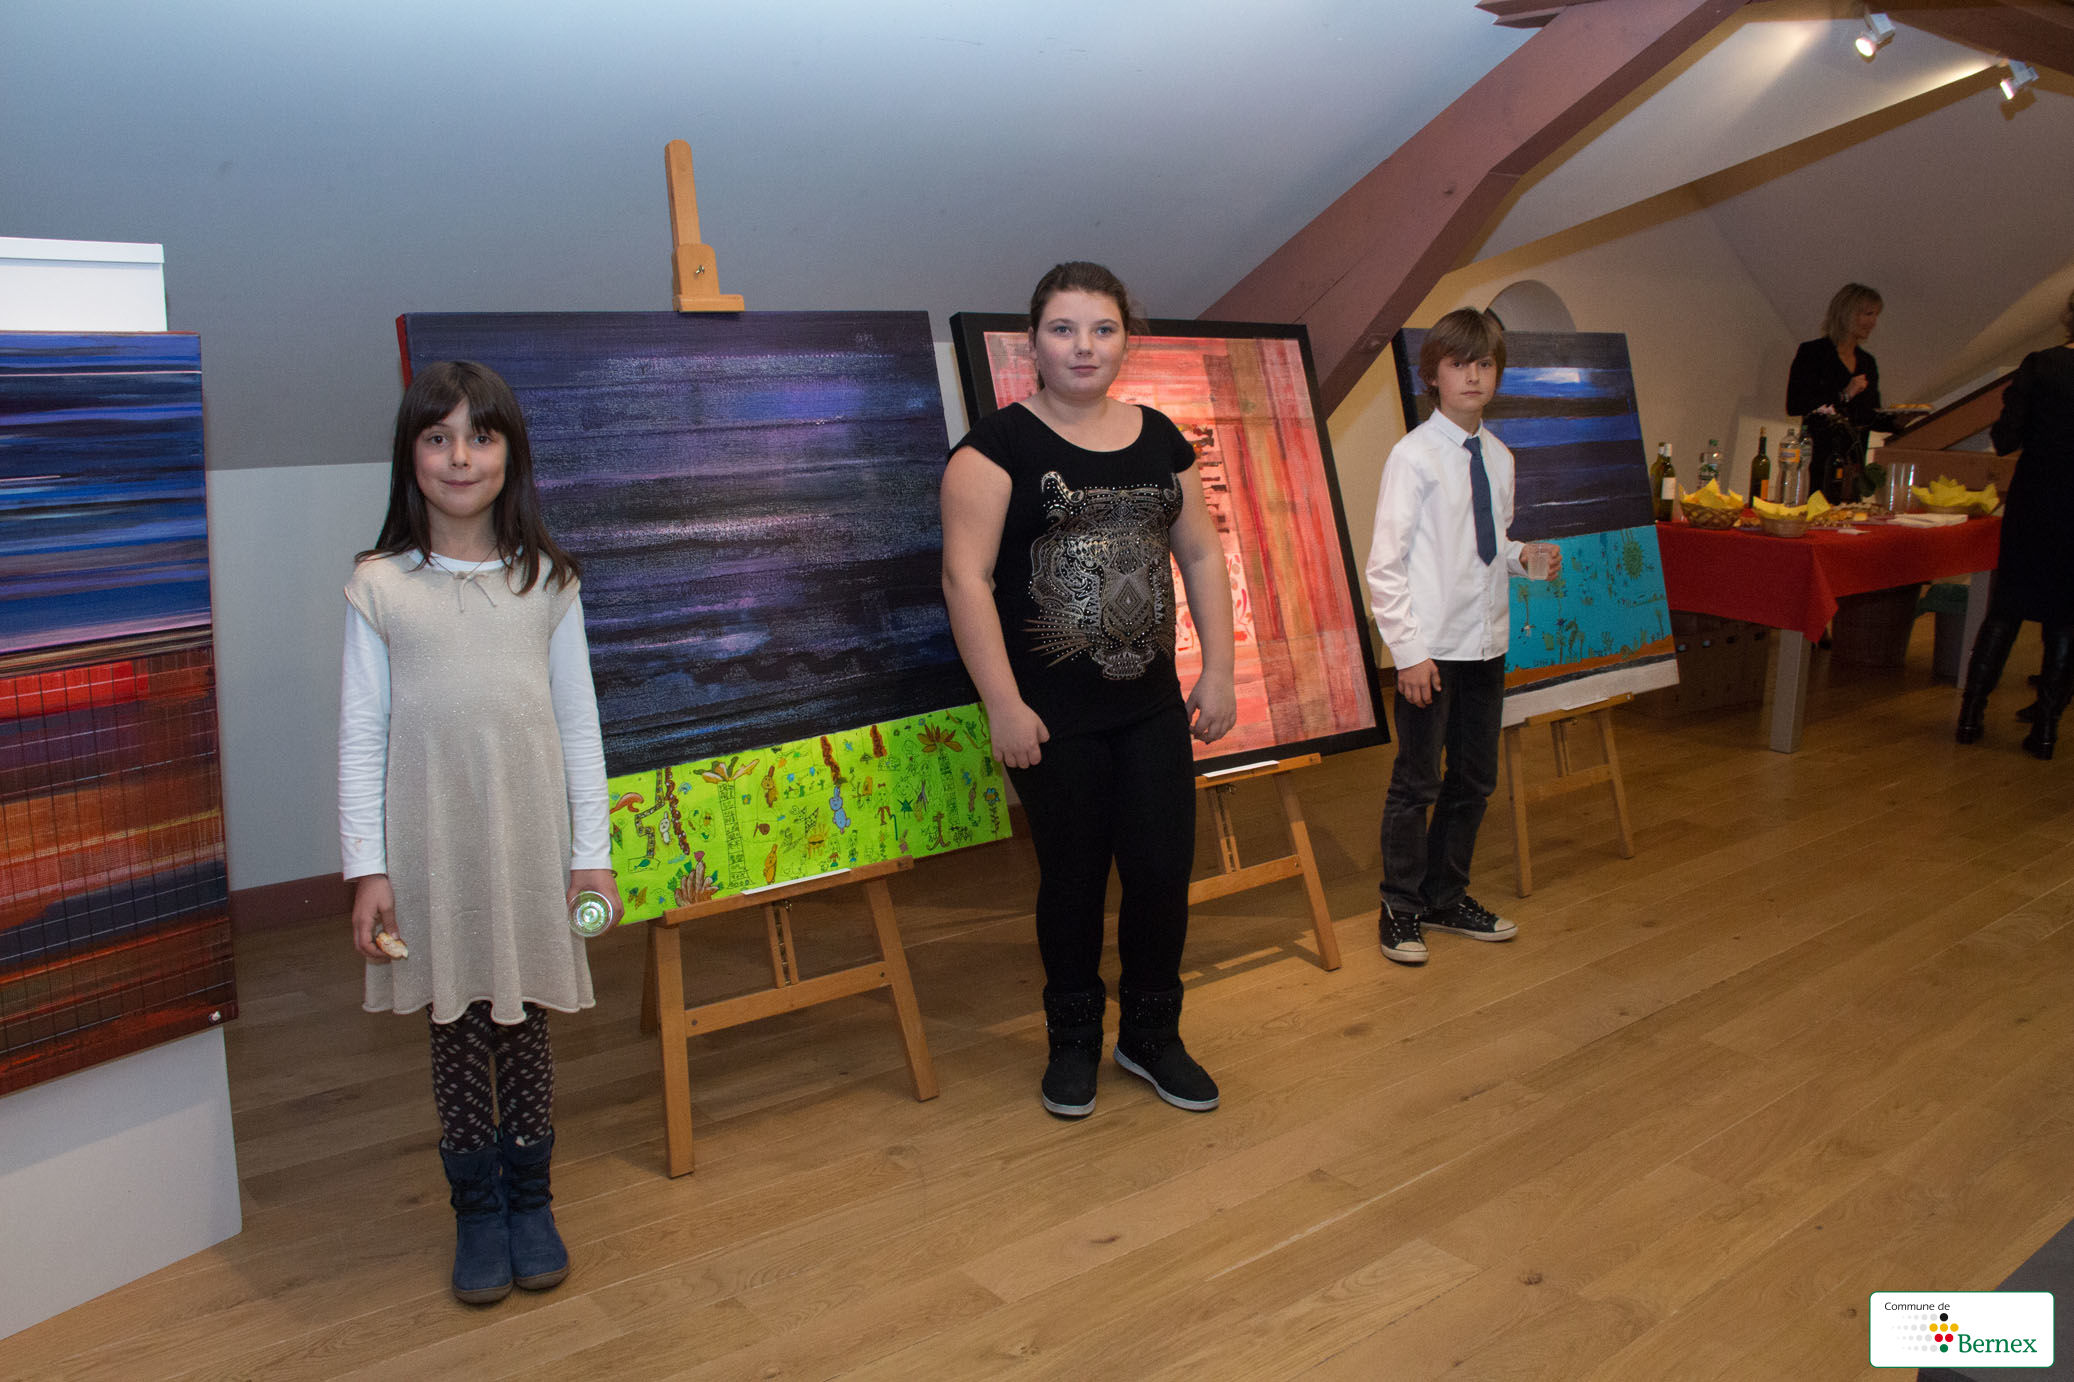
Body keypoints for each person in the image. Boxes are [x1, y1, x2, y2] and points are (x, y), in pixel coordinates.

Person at [338, 360, 620, 1304]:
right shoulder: (379, 586)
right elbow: (361, 735)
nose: (460, 457)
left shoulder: (549, 582)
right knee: (455, 1024)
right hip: (429, 848)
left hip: (530, 844)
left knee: (524, 1019)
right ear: (410, 455)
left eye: (481, 436)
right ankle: (476, 1209)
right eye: (438, 437)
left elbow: (578, 724)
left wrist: (592, 857)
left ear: (511, 454)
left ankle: (531, 1200)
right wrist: (367, 869)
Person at [940, 262, 1236, 1119]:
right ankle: (1071, 1041)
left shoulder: (1159, 439)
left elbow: (1201, 553)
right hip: (1050, 719)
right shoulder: (993, 451)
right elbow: (965, 581)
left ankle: (1151, 1035)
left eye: (1102, 329)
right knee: (1072, 881)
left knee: (1160, 874)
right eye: (1064, 329)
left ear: (1125, 342)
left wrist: (1217, 669)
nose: (1084, 346)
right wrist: (1003, 705)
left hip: (1150, 709)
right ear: (1032, 343)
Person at [1366, 309, 1561, 965]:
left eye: (1484, 364)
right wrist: (1409, 653)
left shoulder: (1499, 457)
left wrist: (1523, 556)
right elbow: (1385, 565)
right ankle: (1400, 906)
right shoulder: (1413, 457)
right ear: (1433, 375)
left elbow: (1488, 543)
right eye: (1458, 364)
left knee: (1474, 779)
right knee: (1417, 782)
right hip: (1431, 652)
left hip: (1486, 645)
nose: (1473, 376)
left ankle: (1445, 896)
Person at [1955, 288, 2074, 759]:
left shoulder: (2040, 365)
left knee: (2006, 608)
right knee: (2065, 619)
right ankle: (2045, 731)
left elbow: (2006, 438)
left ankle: (1970, 716)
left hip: (2036, 498)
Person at [1786, 282, 1908, 502]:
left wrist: (1898, 421)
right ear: (1847, 313)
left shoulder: (1867, 362)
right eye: (1868, 314)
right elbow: (1795, 404)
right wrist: (1843, 394)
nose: (1873, 322)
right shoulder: (1813, 353)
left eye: (1876, 315)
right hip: (1819, 461)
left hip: (1853, 467)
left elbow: (1868, 416)